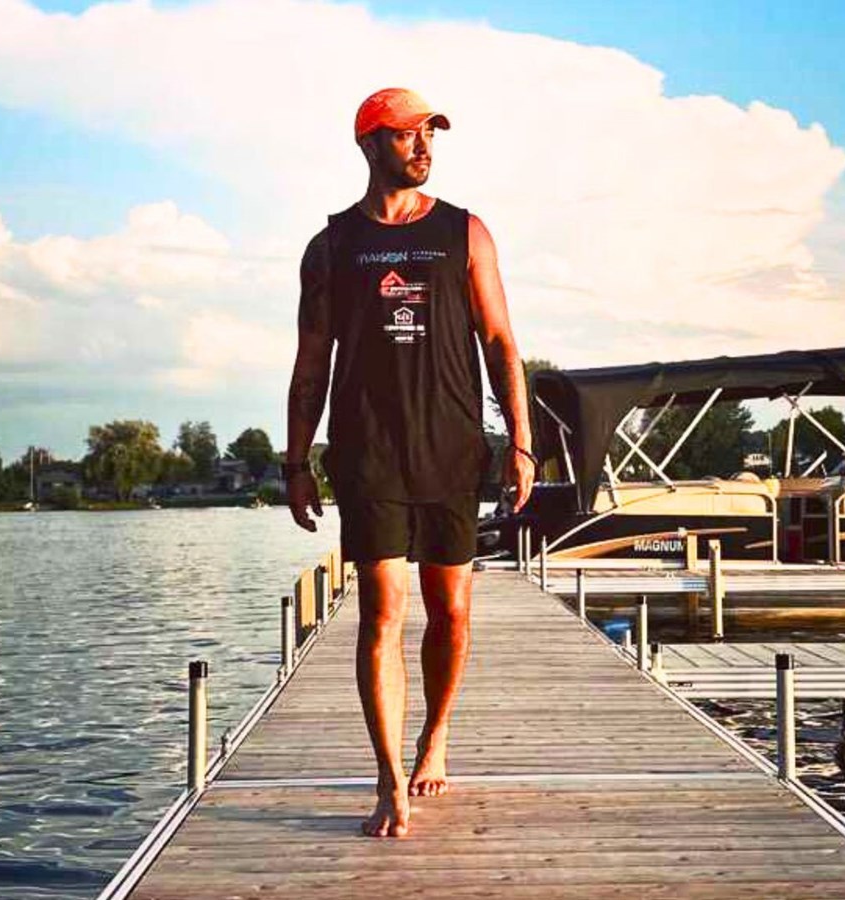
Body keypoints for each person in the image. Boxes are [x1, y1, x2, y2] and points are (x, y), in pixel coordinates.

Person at [283, 87, 536, 838]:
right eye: (406, 135)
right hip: (367, 450)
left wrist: (521, 441)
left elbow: (501, 342)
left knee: (450, 612)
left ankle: (436, 733)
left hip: (452, 444)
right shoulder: (332, 245)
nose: (423, 146)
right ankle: (389, 777)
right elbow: (310, 361)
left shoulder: (466, 232)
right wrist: (296, 462)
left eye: (430, 133)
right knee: (382, 612)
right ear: (369, 144)